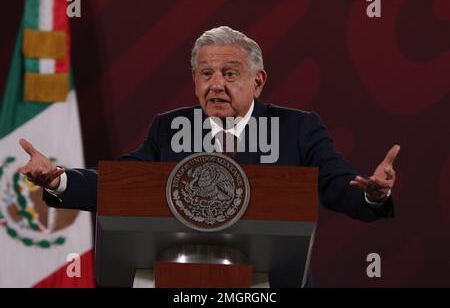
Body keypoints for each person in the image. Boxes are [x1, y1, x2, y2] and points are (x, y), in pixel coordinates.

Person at [18, 26, 400, 286]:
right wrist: (59, 179)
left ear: (258, 80)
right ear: (195, 81)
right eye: (206, 74)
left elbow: (337, 185)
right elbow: (124, 184)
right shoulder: (169, 127)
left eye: (230, 73)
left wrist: (373, 194)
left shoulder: (298, 128)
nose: (216, 84)